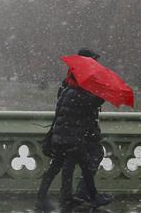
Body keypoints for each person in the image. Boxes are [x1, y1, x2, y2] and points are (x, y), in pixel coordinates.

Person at [36, 49, 112, 211]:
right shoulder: (79, 91)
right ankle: (90, 197)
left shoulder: (67, 87)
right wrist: (104, 92)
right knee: (84, 164)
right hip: (74, 137)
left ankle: (62, 198)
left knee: (60, 166)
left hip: (61, 135)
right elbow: (92, 104)